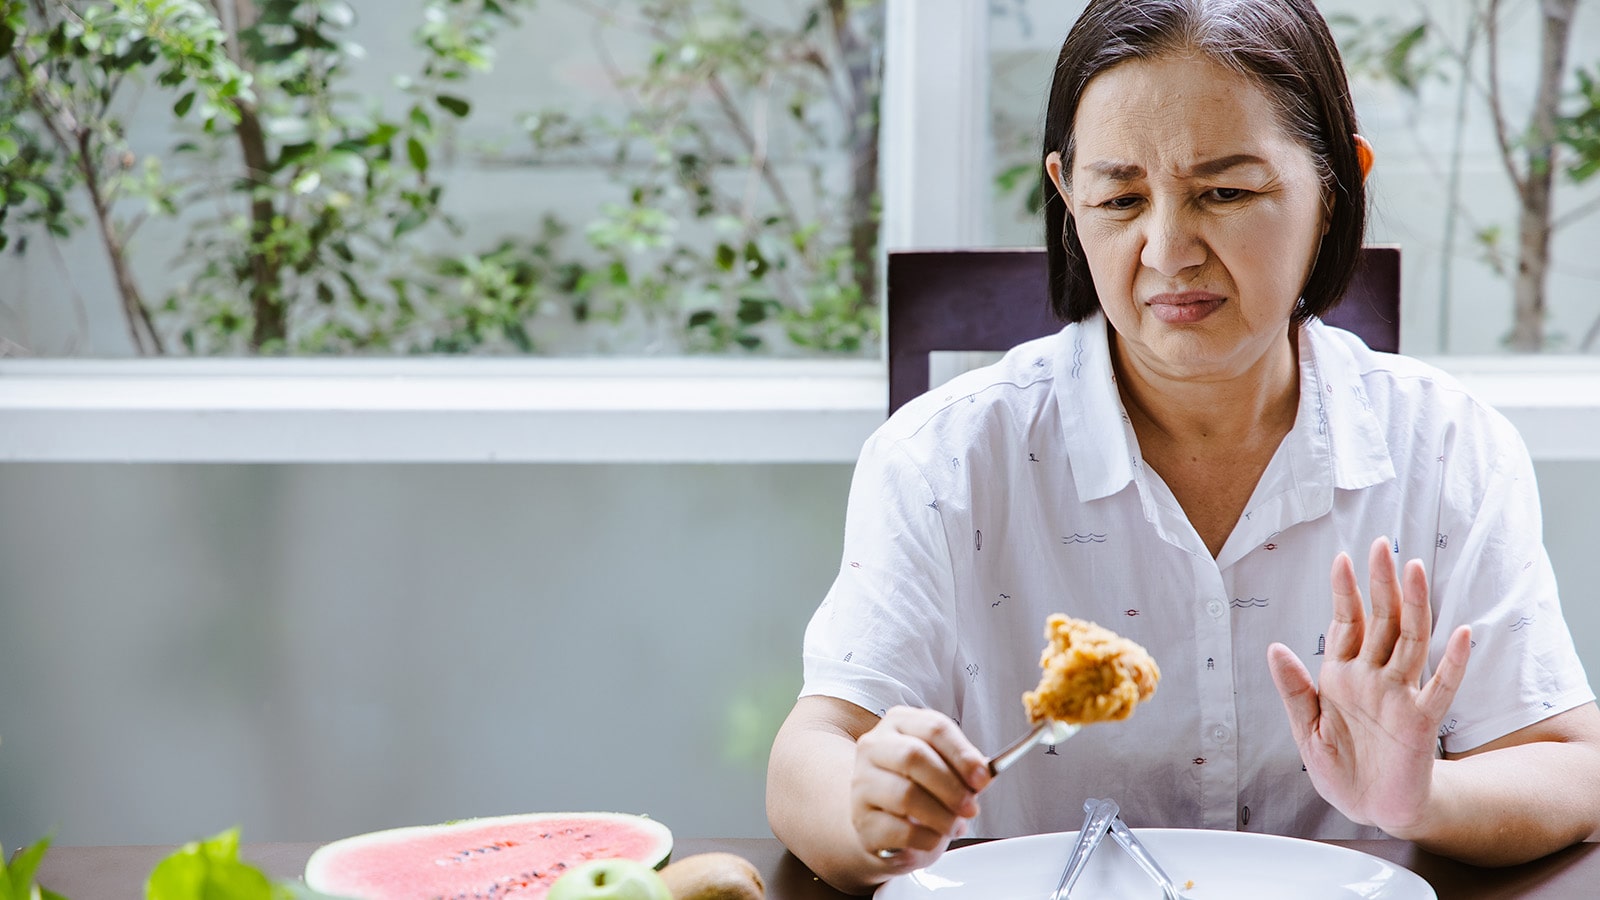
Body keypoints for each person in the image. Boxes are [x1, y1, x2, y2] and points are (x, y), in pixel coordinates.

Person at [764, 0, 1600, 894]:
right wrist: (869, 803)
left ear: (1338, 187)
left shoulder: (1447, 451)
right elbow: (809, 757)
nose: (1168, 251)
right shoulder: (944, 459)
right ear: (1066, 195)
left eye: (1226, 192)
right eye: (1120, 199)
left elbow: (1568, 764)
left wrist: (1422, 797)